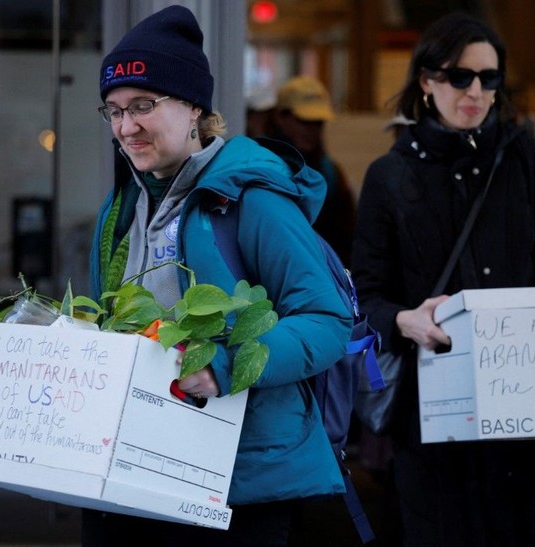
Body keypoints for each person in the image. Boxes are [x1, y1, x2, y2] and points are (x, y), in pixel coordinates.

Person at [83, 6, 352, 546]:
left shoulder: (253, 201)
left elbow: (327, 321)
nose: (125, 126)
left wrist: (223, 367)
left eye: (142, 105)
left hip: (240, 490)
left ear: (192, 108)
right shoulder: (119, 209)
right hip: (137, 475)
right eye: (112, 110)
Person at [351, 12, 535, 547]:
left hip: (527, 413)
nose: (476, 91)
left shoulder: (522, 157)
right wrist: (405, 321)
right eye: (460, 77)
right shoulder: (390, 176)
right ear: (427, 81)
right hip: (438, 419)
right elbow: (363, 296)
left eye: (490, 78)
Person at [269, 75, 356, 265]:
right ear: (280, 117)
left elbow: (346, 238)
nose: (312, 130)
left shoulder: (331, 173)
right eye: (304, 120)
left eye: (318, 122)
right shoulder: (261, 166)